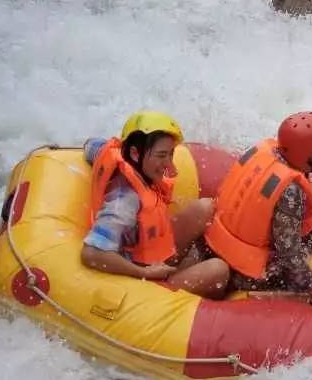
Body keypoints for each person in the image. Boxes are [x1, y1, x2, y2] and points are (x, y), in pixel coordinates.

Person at [80, 110, 229, 298]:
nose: (168, 164)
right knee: (218, 270)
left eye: (170, 154)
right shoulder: (124, 201)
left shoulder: (125, 157)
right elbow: (91, 253)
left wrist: (88, 146)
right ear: (135, 154)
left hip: (150, 248)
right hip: (139, 275)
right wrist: (144, 273)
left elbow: (93, 147)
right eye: (161, 155)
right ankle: (167, 287)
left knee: (203, 207)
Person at [201, 111, 312, 308]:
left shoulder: (262, 152)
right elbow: (288, 258)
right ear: (311, 157)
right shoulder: (291, 191)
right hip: (244, 272)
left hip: (213, 242)